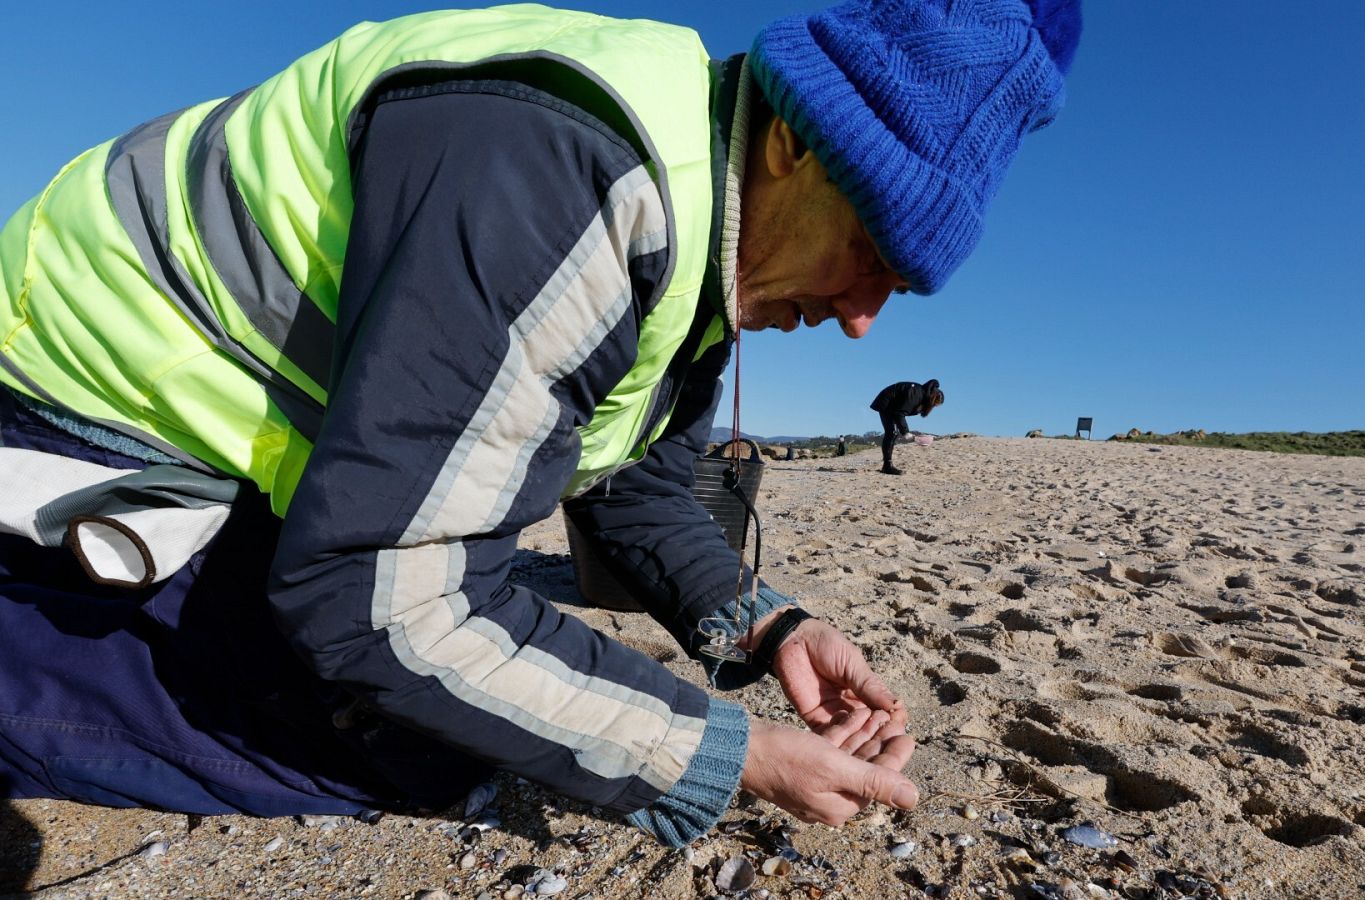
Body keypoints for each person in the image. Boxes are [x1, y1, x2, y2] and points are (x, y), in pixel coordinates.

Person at [0, 0, 1081, 847]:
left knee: (467, 719)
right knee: (385, 746)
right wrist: (729, 755)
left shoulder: (704, 233)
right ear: (797, 142)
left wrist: (769, 630)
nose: (858, 321)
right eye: (870, 255)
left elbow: (634, 487)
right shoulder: (583, 177)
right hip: (85, 407)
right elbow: (384, 600)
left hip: (258, 458)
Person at [870, 380, 945, 474]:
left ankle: (887, 465)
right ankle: (887, 466)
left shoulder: (922, 396)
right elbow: (900, 412)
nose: (933, 407)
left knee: (893, 433)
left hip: (894, 405)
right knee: (891, 432)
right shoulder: (916, 394)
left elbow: (901, 411)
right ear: (933, 398)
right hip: (887, 401)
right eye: (934, 404)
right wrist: (905, 432)